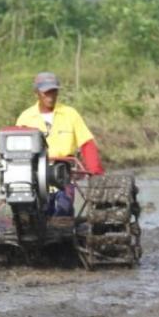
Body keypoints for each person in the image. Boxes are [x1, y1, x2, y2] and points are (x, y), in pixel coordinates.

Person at [15, 72, 105, 217]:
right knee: (31, 215)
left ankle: (65, 234)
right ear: (36, 92)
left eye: (54, 91)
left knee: (63, 210)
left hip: (63, 175)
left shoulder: (70, 114)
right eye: (46, 92)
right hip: (34, 177)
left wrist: (96, 174)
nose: (51, 96)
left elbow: (87, 144)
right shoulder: (25, 118)